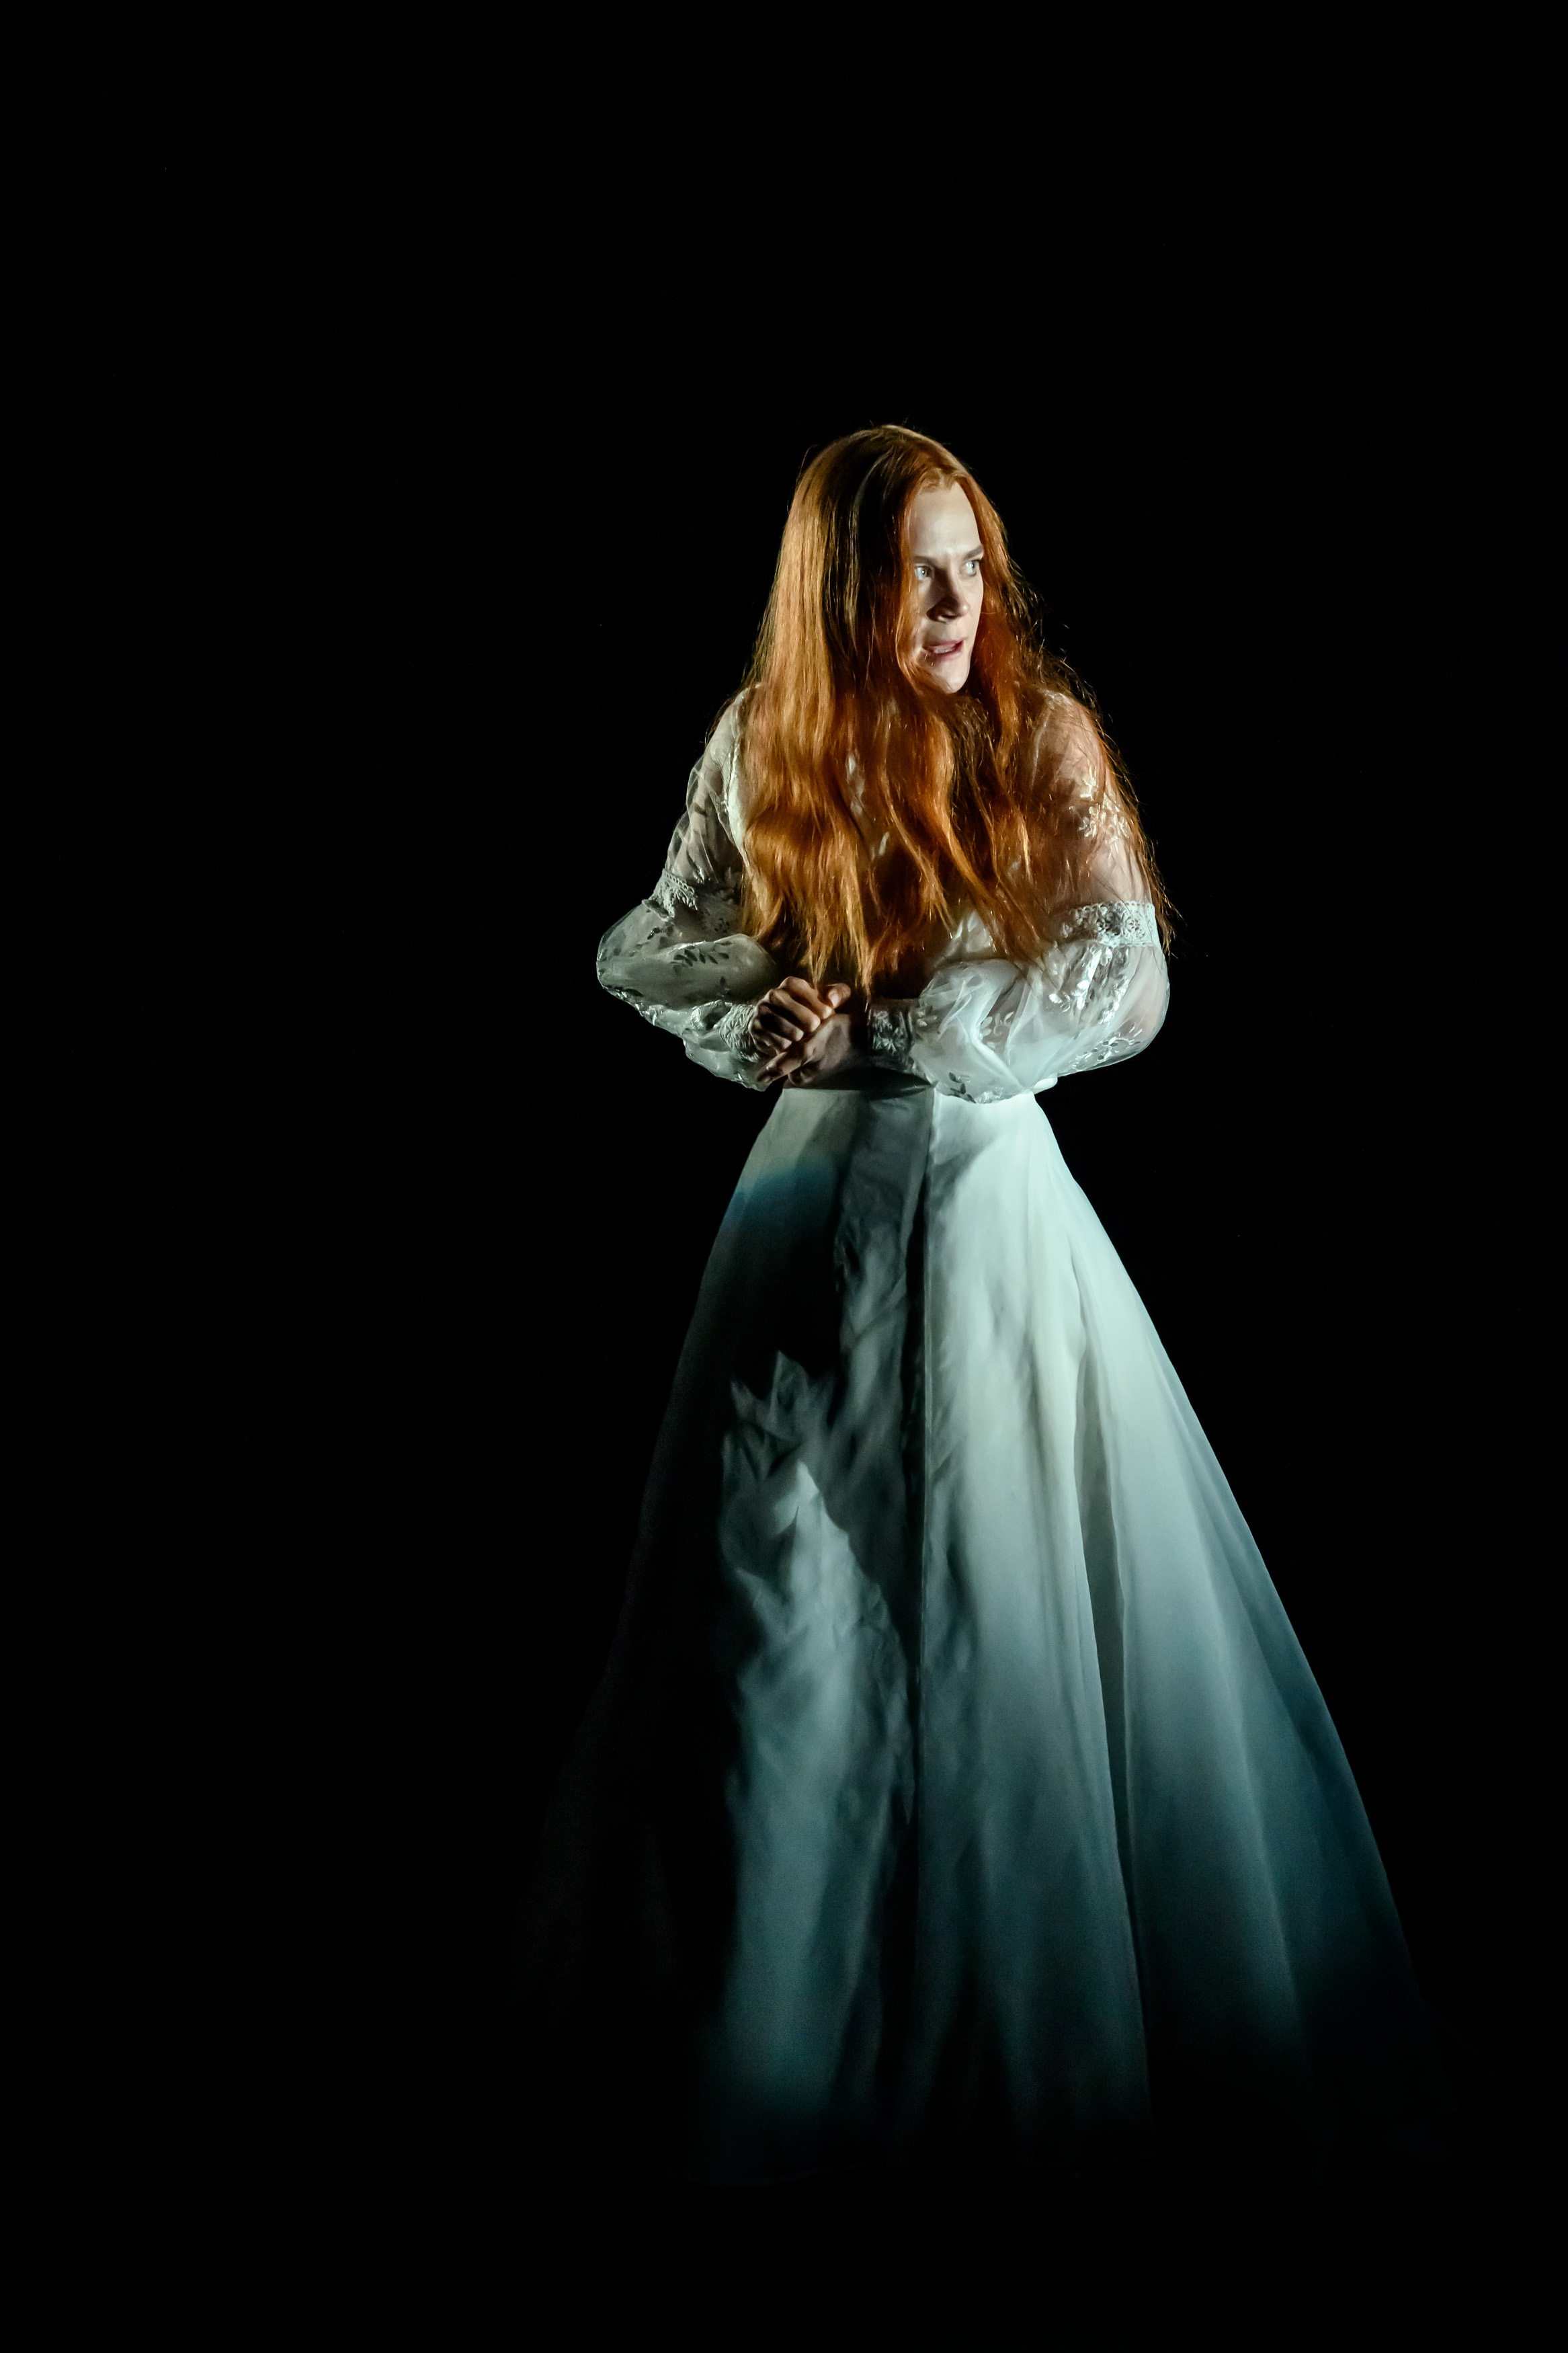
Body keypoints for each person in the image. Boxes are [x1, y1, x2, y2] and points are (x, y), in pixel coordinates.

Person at [499, 426, 1456, 2186]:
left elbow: (1121, 981)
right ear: (837, 593)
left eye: (970, 568)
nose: (953, 605)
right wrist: (772, 1009)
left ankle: (1018, 2088)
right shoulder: (765, 741)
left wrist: (888, 1027)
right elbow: (659, 938)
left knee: (995, 1596)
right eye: (911, 574)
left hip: (986, 1215)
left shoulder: (1037, 736)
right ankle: (768, 2060)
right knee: (783, 1607)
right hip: (807, 1222)